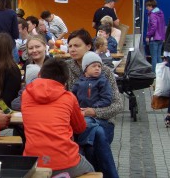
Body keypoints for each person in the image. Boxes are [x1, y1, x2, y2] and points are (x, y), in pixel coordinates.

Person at [22, 58, 94, 177]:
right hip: (65, 162)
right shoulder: (69, 97)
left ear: (39, 74)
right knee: (90, 169)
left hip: (33, 162)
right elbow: (80, 128)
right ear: (65, 82)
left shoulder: (26, 94)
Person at [66, 29, 122, 178]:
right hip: (75, 121)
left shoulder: (104, 71)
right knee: (95, 135)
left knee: (95, 134)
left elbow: (117, 105)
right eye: (69, 46)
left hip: (103, 120)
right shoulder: (66, 69)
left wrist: (94, 112)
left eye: (77, 45)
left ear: (89, 46)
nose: (72, 49)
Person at [71, 52, 112, 146]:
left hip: (96, 115)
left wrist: (94, 107)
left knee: (88, 124)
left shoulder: (102, 81)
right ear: (85, 69)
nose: (97, 68)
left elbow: (106, 99)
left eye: (99, 66)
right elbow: (72, 97)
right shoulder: (79, 82)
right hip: (81, 112)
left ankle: (84, 143)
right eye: (94, 66)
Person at [145, 0, 165, 72]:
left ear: (151, 6)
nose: (146, 8)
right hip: (161, 38)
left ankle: (154, 74)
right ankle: (160, 74)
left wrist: (148, 35)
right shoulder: (161, 13)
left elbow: (153, 27)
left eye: (147, 6)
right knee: (159, 57)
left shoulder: (152, 15)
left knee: (154, 58)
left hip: (154, 38)